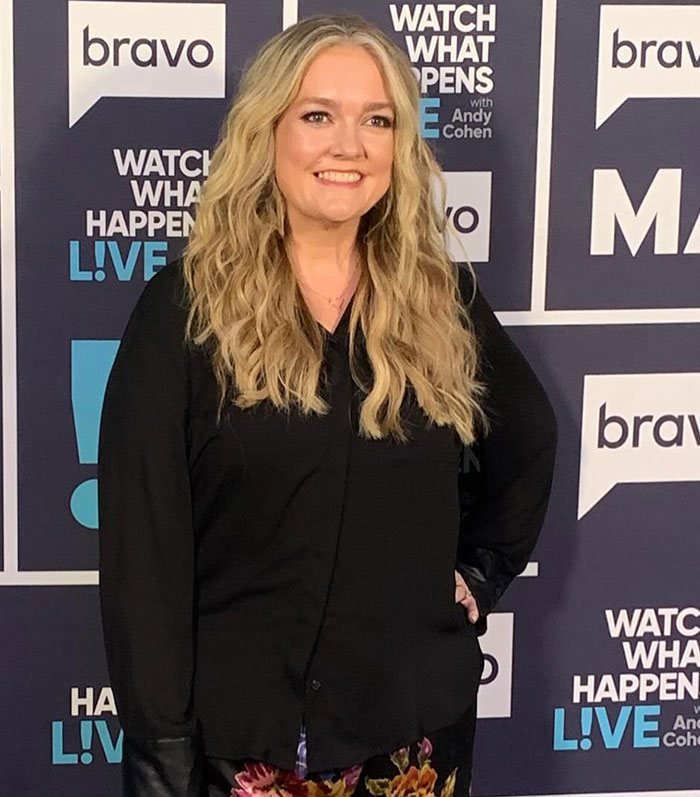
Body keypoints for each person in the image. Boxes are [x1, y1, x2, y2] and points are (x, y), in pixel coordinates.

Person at [97, 12, 558, 797]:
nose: (350, 145)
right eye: (319, 116)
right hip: (237, 745)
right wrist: (161, 751)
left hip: (412, 741)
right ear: (267, 132)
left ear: (398, 147)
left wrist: (482, 570)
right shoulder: (183, 312)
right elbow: (146, 557)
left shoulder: (440, 301)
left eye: (376, 120)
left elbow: (530, 438)